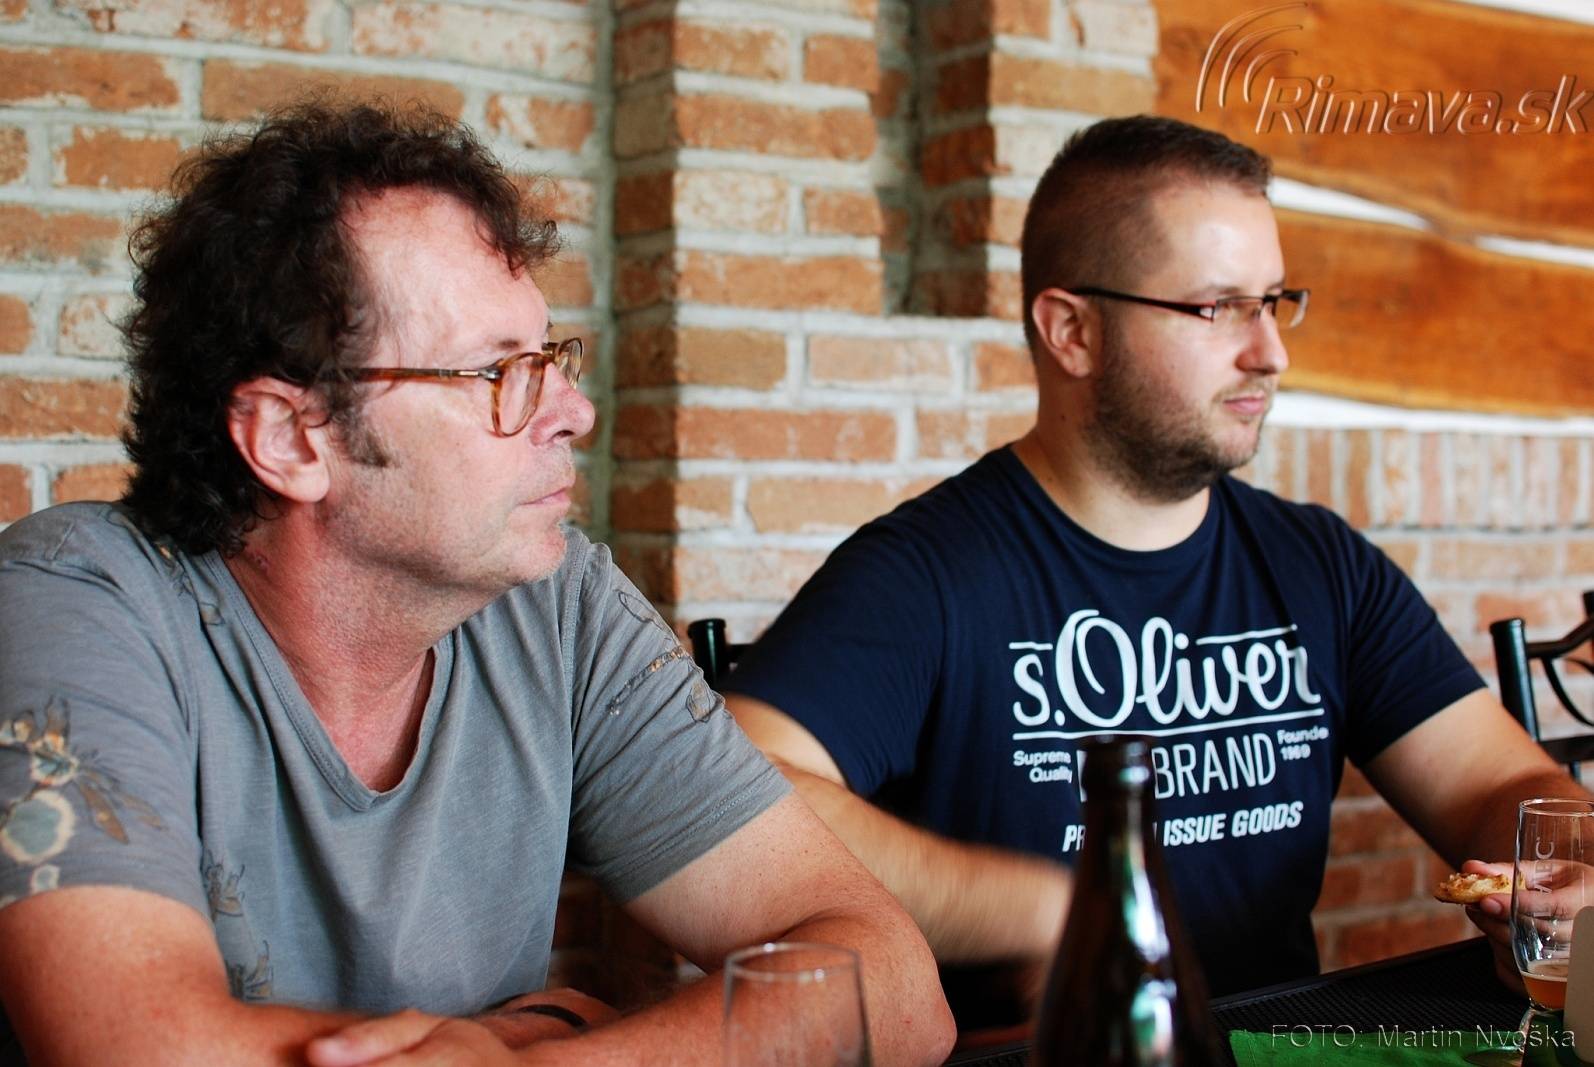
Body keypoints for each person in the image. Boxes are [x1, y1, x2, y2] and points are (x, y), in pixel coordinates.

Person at [0, 101, 954, 1067]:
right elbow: (134, 1045)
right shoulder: (76, 602)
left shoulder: (559, 607)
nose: (573, 411)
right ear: (291, 439)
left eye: (548, 358)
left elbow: (898, 994)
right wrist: (542, 1027)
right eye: (500, 373)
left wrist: (548, 1059)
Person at [722, 114, 1582, 1017]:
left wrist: (1569, 873)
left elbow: (1499, 784)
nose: (1272, 352)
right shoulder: (925, 574)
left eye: (1274, 301)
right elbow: (736, 793)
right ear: (1072, 331)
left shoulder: (1321, 564)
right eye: (1218, 308)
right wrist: (1045, 908)